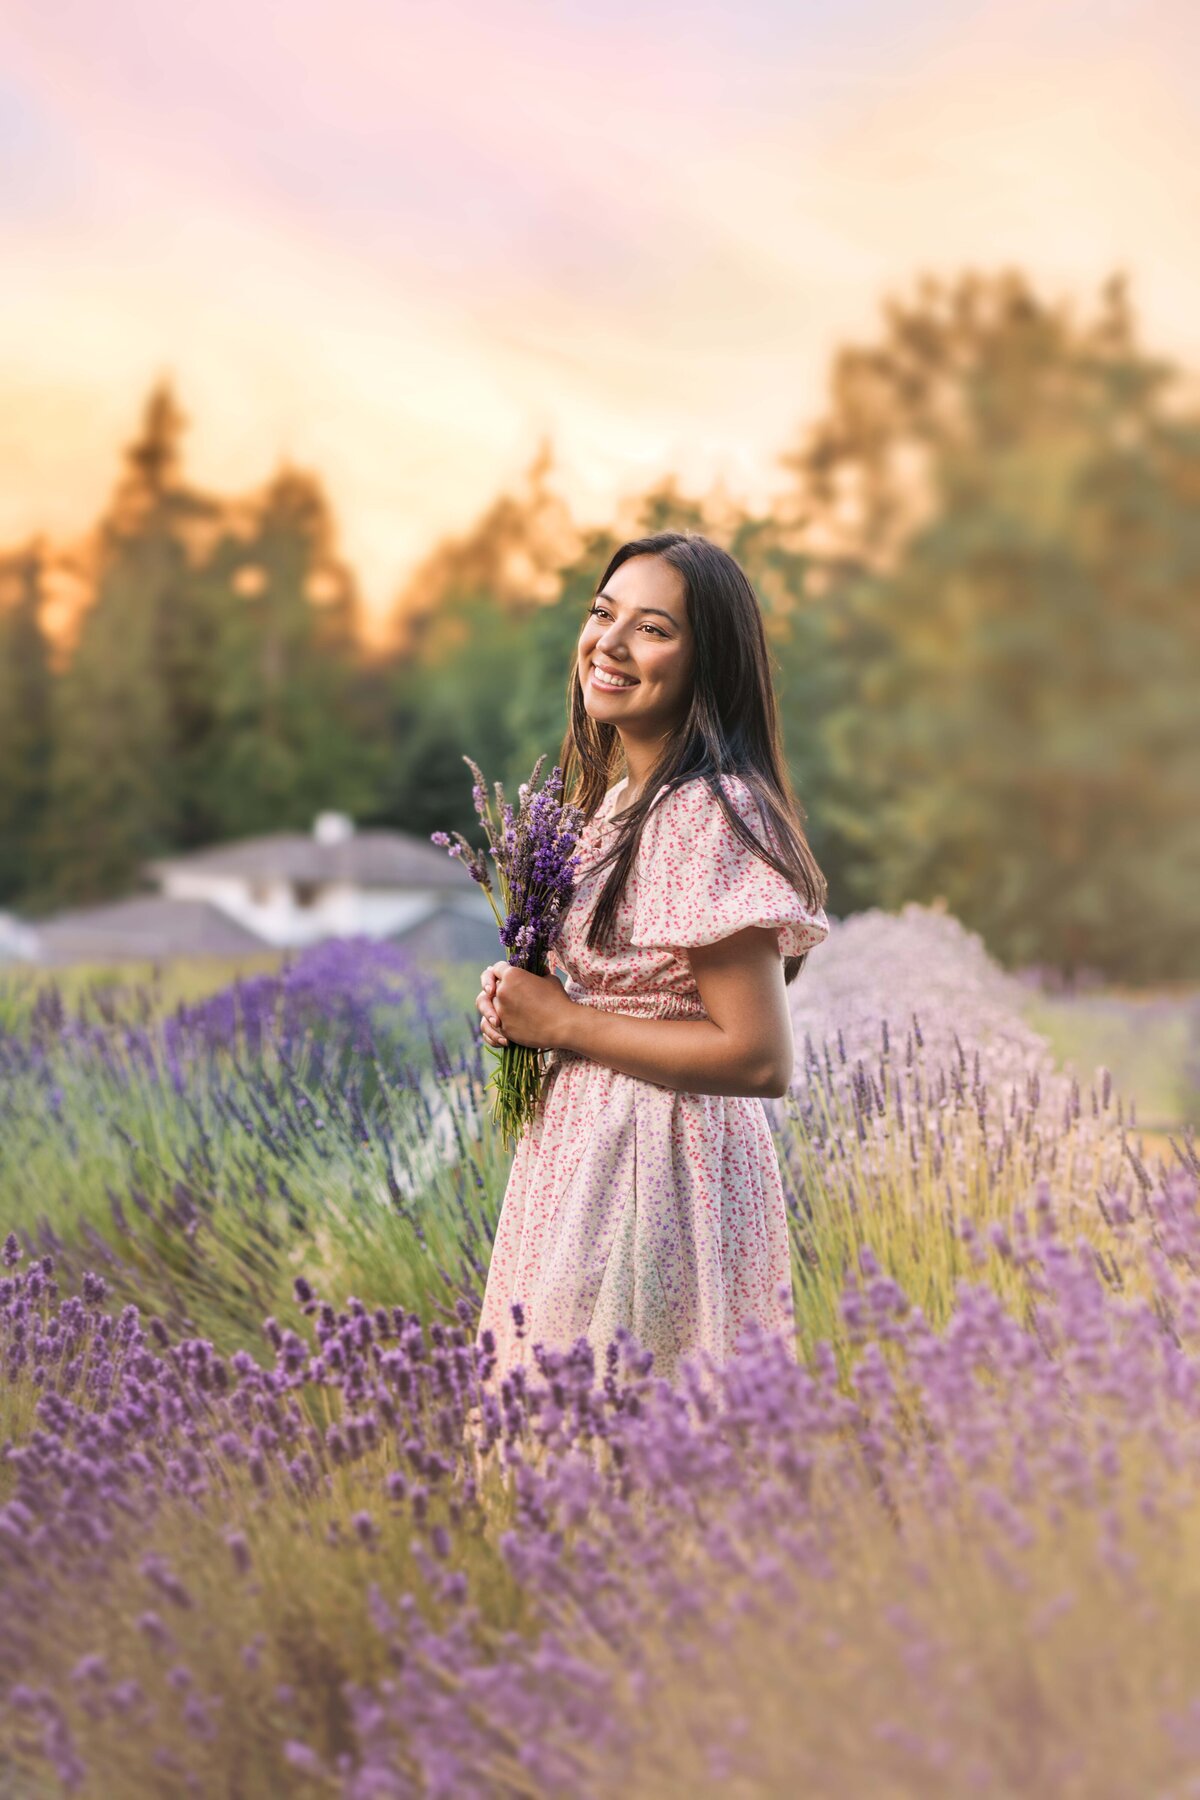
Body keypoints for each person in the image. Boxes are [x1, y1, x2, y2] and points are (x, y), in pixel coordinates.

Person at [474, 530, 830, 1389]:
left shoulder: (704, 809)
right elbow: (640, 992)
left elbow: (756, 1055)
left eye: (655, 629)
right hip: (589, 1160)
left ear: (710, 665)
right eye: (604, 615)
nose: (611, 644)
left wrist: (563, 1020)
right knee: (568, 1442)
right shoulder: (624, 803)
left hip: (658, 1170)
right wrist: (529, 1006)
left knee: (618, 1446)